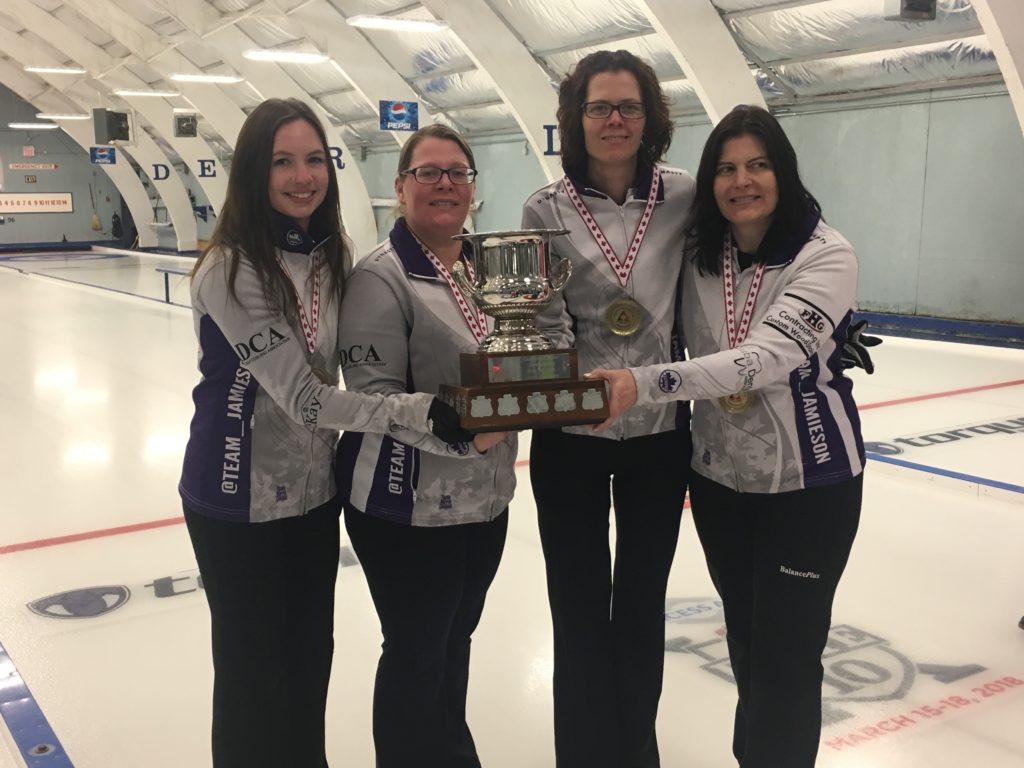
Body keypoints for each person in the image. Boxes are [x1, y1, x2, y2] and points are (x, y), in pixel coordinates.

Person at [178, 99, 468, 768]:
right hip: (234, 495)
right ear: (254, 172)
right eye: (282, 161)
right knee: (255, 675)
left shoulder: (331, 253)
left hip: (311, 495)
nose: (302, 175)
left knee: (310, 661)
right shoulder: (231, 267)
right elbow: (308, 397)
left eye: (314, 159)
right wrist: (424, 412)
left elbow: (355, 367)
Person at [589, 104, 866, 768]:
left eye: (759, 165)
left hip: (809, 484)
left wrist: (641, 383)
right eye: (728, 169)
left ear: (785, 173)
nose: (743, 181)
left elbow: (765, 358)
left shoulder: (826, 254)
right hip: (719, 484)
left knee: (786, 658)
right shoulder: (701, 256)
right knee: (746, 643)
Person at [520, 50, 695, 768]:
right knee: (580, 605)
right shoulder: (544, 208)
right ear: (575, 119)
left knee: (643, 602)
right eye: (599, 107)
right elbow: (536, 319)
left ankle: (636, 750)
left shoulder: (685, 196)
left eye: (628, 107)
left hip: (660, 433)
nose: (614, 120)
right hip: (572, 437)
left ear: (650, 117)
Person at [335, 124, 513, 768]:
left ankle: (450, 753)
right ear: (400, 188)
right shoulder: (381, 279)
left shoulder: (488, 267)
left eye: (457, 173)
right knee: (416, 648)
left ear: (472, 187)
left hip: (485, 500)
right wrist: (467, 428)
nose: (445, 184)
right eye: (428, 173)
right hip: (403, 504)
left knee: (454, 640)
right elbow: (373, 400)